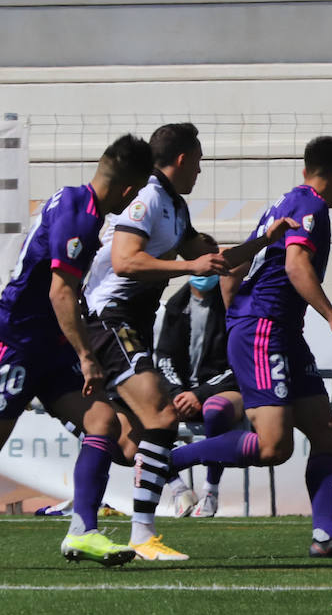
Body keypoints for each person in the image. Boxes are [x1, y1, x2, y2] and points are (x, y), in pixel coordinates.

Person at [0, 134, 155, 566]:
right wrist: (88, 357)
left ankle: (82, 532)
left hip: (49, 346)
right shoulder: (82, 219)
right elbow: (60, 293)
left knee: (102, 421)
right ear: (130, 189)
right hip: (17, 343)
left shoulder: (72, 201)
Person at [83, 122, 292, 561]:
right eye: (198, 162)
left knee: (125, 436)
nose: (200, 171)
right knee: (159, 415)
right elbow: (124, 262)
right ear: (181, 160)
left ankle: (87, 527)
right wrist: (187, 265)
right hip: (107, 319)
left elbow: (213, 259)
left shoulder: (174, 207)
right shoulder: (148, 198)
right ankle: (142, 535)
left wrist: (263, 241)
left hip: (130, 323)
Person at [168, 135, 332, 557]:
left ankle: (326, 536)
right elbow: (296, 264)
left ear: (305, 170)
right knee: (272, 446)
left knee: (326, 432)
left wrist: (237, 313)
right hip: (266, 329)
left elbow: (235, 267)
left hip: (277, 329)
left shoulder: (287, 201)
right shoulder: (313, 206)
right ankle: (166, 462)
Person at [155, 274, 243, 518]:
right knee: (145, 411)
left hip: (225, 389)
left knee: (214, 409)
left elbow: (239, 363)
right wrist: (178, 393)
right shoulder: (176, 304)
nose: (205, 271)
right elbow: (164, 359)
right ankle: (178, 488)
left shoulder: (231, 302)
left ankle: (211, 490)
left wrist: (200, 394)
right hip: (183, 393)